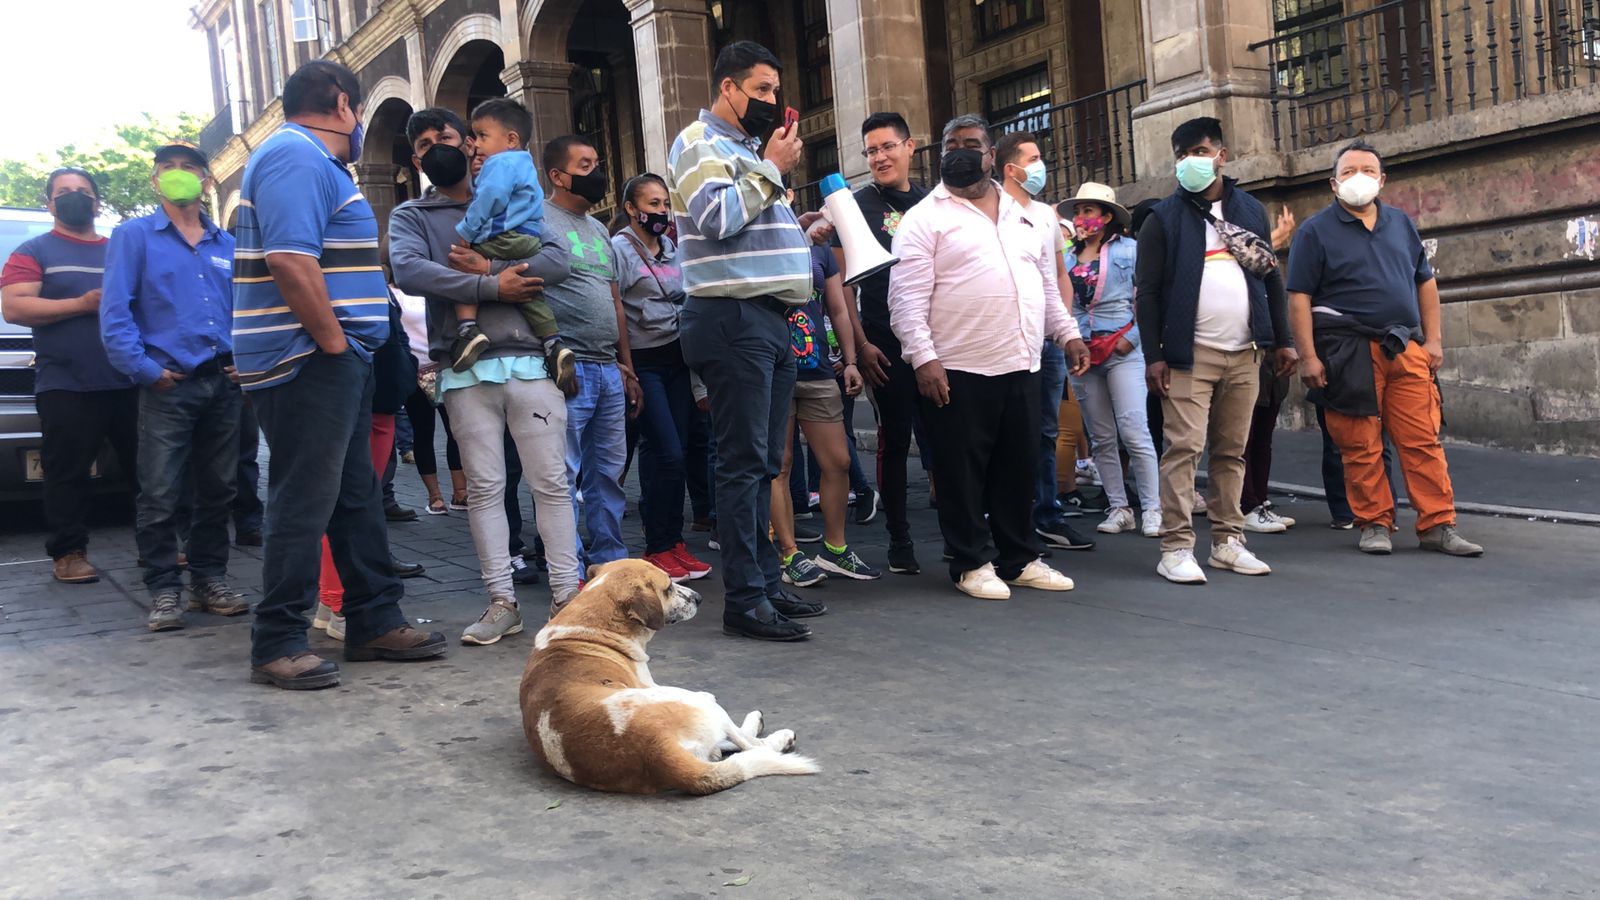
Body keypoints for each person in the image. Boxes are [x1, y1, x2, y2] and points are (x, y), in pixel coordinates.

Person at [233, 60, 447, 689]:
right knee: (306, 497)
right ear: (345, 105)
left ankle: (374, 619)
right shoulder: (294, 156)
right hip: (309, 357)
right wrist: (333, 344)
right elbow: (289, 260)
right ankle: (277, 639)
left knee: (355, 493)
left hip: (332, 356)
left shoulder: (313, 163)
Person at [388, 105, 580, 646]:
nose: (441, 148)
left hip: (531, 364)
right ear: (416, 158)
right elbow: (408, 270)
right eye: (424, 144)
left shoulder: (518, 198)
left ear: (471, 143)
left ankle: (567, 597)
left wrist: (490, 270)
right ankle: (502, 601)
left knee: (551, 483)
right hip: (464, 368)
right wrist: (492, 289)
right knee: (486, 490)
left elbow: (559, 262)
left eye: (447, 136)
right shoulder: (412, 216)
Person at [887, 114, 1086, 601]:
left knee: (1017, 467)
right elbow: (906, 300)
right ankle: (971, 562)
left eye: (971, 143)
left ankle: (1019, 557)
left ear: (991, 154)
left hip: (1021, 361)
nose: (960, 151)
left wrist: (1068, 334)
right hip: (956, 368)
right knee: (961, 471)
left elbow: (1043, 286)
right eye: (950, 144)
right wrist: (924, 360)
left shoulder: (1027, 216)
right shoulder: (924, 219)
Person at [669, 40, 828, 641]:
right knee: (741, 464)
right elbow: (715, 217)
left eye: (774, 91)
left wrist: (802, 227)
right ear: (727, 88)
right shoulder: (698, 142)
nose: (771, 101)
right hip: (731, 319)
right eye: (760, 89)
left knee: (762, 463)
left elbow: (750, 226)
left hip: (767, 319)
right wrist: (773, 169)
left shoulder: (741, 150)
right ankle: (744, 598)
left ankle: (763, 583)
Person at [1287, 140, 1483, 558]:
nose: (1359, 177)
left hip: (1405, 346)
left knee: (1423, 440)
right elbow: (1299, 296)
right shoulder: (1314, 231)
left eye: (1368, 170)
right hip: (1345, 351)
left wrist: (1433, 341)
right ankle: (1374, 522)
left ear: (1382, 179)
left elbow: (1424, 282)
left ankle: (1438, 524)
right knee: (1359, 443)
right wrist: (1308, 356)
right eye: (1349, 170)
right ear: (1333, 183)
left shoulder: (1400, 223)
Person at [1134, 116, 1295, 585]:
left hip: (1245, 352)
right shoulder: (1163, 218)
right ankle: (1176, 547)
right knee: (1183, 448)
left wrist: (1282, 340)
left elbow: (1269, 275)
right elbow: (1147, 293)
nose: (1190, 162)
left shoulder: (1249, 210)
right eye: (1182, 155)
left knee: (1232, 450)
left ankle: (1228, 541)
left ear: (1221, 156)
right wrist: (1154, 355)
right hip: (1189, 354)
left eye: (1199, 152)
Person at [99, 140, 248, 631]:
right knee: (160, 492)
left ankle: (209, 580)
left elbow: (246, 311)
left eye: (189, 167)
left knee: (219, 490)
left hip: (222, 384)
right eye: (170, 168)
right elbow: (116, 313)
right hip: (168, 384)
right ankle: (164, 589)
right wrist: (145, 370)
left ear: (206, 179)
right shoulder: (134, 237)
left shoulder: (228, 245)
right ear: (155, 179)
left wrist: (243, 360)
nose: (180, 174)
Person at [1, 167, 138, 585]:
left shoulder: (122, 249)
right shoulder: (32, 251)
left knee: (150, 472)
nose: (74, 197)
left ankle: (162, 546)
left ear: (97, 202)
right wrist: (81, 304)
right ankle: (69, 552)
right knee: (65, 472)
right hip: (67, 383)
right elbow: (15, 308)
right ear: (50, 203)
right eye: (64, 192)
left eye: (83, 191)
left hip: (130, 378)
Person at [538, 134, 643, 570]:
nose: (596, 173)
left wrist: (628, 368)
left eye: (597, 162)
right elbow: (531, 294)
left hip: (607, 369)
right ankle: (569, 568)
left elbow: (614, 301)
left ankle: (609, 559)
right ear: (557, 176)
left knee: (608, 474)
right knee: (561, 475)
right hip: (567, 368)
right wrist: (552, 352)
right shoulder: (537, 221)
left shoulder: (601, 229)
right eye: (584, 165)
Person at [834, 111, 929, 575]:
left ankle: (962, 529)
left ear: (910, 146)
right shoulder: (856, 206)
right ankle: (899, 537)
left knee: (950, 439)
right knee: (896, 438)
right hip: (884, 344)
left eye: (888, 146)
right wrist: (863, 343)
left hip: (937, 342)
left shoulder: (935, 202)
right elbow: (842, 286)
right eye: (871, 150)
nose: (879, 157)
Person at [994, 131, 1096, 552]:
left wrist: (1065, 330)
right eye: (1033, 158)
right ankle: (1006, 517)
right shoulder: (989, 210)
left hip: (1047, 341)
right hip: (1006, 341)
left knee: (1045, 430)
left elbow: (1058, 277)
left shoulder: (1046, 216)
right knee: (1005, 431)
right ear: (1010, 168)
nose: (1040, 165)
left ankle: (1046, 514)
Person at [612, 173, 713, 582]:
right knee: (664, 453)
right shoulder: (618, 250)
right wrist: (625, 367)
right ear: (631, 209)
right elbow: (614, 307)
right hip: (644, 363)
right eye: (652, 205)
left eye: (664, 204)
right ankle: (656, 546)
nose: (661, 212)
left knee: (684, 451)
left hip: (679, 361)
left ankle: (674, 544)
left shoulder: (674, 250)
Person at [1059, 182, 1162, 539]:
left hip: (1122, 351)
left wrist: (1131, 340)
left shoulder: (1131, 251)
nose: (1082, 218)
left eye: (1089, 211)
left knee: (1134, 430)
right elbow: (1065, 305)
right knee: (1101, 436)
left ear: (1106, 217)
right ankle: (1118, 506)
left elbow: (1148, 299)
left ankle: (1152, 508)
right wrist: (1071, 341)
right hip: (1083, 353)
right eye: (1078, 211)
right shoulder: (1067, 258)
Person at [447, 98, 574, 389]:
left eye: (482, 136)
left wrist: (466, 231)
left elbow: (489, 198)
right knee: (529, 293)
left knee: (463, 265)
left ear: (511, 139)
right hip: (527, 238)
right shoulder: (523, 163)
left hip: (501, 238)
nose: (476, 145)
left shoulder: (499, 162)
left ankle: (468, 329)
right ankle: (554, 343)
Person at [773, 243, 879, 585]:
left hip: (818, 370)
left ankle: (835, 549)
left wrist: (850, 361)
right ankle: (789, 554)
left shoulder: (820, 249)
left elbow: (838, 307)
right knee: (780, 464)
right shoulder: (758, 239)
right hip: (774, 370)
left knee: (838, 461)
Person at [1241, 206, 1303, 534]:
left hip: (1269, 353)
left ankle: (1257, 500)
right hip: (1247, 350)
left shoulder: (1266, 261)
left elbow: (1278, 304)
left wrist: (1284, 343)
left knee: (1263, 434)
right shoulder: (1235, 260)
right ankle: (1246, 503)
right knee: (1245, 435)